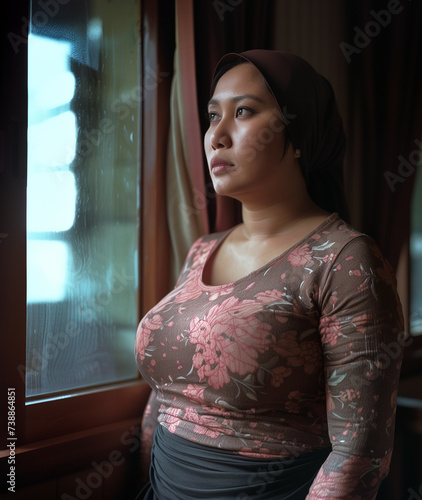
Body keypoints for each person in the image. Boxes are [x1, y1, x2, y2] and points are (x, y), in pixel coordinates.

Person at [135, 49, 404, 499]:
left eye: (243, 112)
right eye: (211, 116)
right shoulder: (202, 250)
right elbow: (162, 400)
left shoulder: (346, 260)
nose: (216, 136)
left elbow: (358, 454)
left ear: (298, 134)